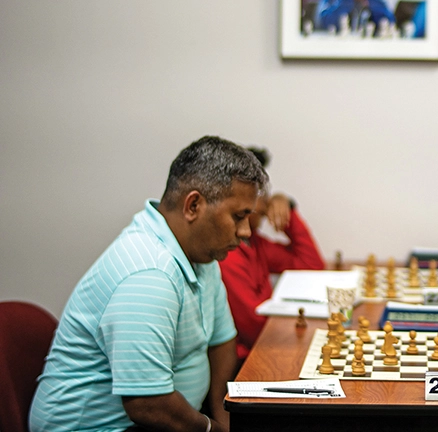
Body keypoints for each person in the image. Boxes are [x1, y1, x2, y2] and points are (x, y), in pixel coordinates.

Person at [30, 136, 269, 432]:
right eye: (238, 216)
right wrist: (212, 429)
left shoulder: (202, 254)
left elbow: (221, 341)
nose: (245, 231)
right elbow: (148, 404)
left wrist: (224, 419)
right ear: (193, 205)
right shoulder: (149, 272)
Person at [219, 147, 326, 361]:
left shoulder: (255, 243)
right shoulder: (226, 254)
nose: (267, 201)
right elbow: (254, 329)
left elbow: (311, 265)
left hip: (269, 346)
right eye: (260, 194)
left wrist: (288, 209)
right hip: (249, 360)